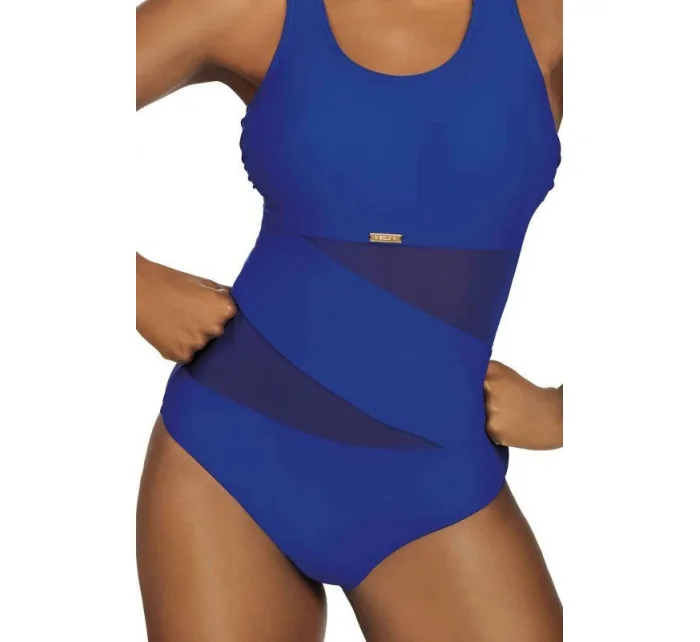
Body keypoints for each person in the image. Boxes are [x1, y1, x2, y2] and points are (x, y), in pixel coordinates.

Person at [135, 0, 564, 639]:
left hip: (438, 481)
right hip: (230, 455)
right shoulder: (247, 7)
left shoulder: (553, 20)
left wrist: (571, 413)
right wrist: (131, 286)